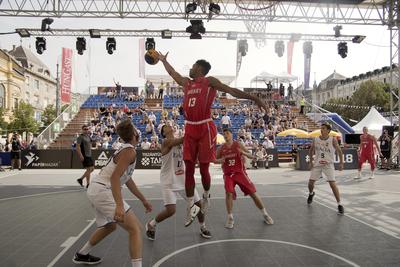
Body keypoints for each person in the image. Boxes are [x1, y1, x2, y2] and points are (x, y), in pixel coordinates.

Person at [157, 52, 268, 221]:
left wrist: (254, 98)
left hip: (205, 127)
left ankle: (207, 195)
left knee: (203, 168)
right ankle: (191, 207)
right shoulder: (187, 83)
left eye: (193, 66)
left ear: (200, 69)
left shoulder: (210, 82)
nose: (191, 68)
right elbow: (173, 74)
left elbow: (232, 91)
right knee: (188, 171)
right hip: (190, 127)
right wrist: (164, 61)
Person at [73, 120, 152, 267]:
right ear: (135, 134)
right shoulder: (130, 151)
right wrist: (120, 206)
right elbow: (115, 177)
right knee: (135, 229)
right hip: (103, 190)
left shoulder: (125, 149)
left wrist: (143, 200)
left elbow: (127, 179)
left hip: (96, 189)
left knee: (110, 226)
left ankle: (82, 254)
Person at [145, 124, 211, 241]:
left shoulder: (180, 141)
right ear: (164, 133)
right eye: (165, 127)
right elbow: (184, 139)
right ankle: (151, 224)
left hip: (183, 180)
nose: (169, 126)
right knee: (171, 210)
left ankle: (203, 226)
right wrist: (195, 127)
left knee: (198, 205)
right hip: (169, 181)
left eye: (170, 125)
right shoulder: (165, 142)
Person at [216, 128, 274, 229]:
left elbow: (251, 156)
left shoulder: (238, 144)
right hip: (228, 174)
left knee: (253, 193)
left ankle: (265, 213)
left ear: (231, 134)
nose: (225, 135)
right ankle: (230, 217)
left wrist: (244, 153)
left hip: (240, 173)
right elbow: (215, 160)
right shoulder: (221, 148)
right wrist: (220, 160)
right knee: (228, 193)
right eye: (224, 134)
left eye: (227, 133)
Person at [307, 123, 345, 215]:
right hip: (317, 164)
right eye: (321, 128)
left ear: (328, 130)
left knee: (332, 184)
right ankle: (311, 193)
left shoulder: (333, 139)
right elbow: (311, 150)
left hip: (328, 164)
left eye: (323, 128)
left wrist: (341, 163)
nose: (321, 130)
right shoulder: (316, 139)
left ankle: (339, 204)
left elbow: (339, 151)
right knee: (310, 183)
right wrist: (310, 161)